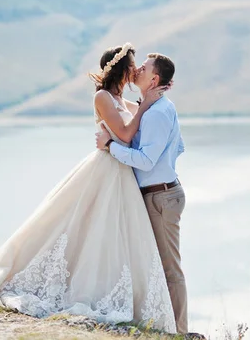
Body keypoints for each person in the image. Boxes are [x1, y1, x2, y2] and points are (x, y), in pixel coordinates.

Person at [0, 43, 177, 333]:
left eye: (139, 68)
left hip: (122, 175)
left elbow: (143, 123)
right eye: (132, 67)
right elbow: (124, 132)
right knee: (76, 226)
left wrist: (155, 101)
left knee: (111, 234)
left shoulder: (125, 102)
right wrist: (144, 105)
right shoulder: (103, 97)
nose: (136, 71)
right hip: (104, 170)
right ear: (121, 70)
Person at [96, 52, 189, 334]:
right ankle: (162, 325)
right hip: (154, 193)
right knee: (151, 263)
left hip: (161, 196)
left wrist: (111, 146)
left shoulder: (158, 112)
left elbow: (146, 160)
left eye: (144, 68)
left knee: (170, 269)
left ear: (154, 79)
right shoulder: (153, 108)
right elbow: (179, 146)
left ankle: (180, 332)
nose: (138, 70)